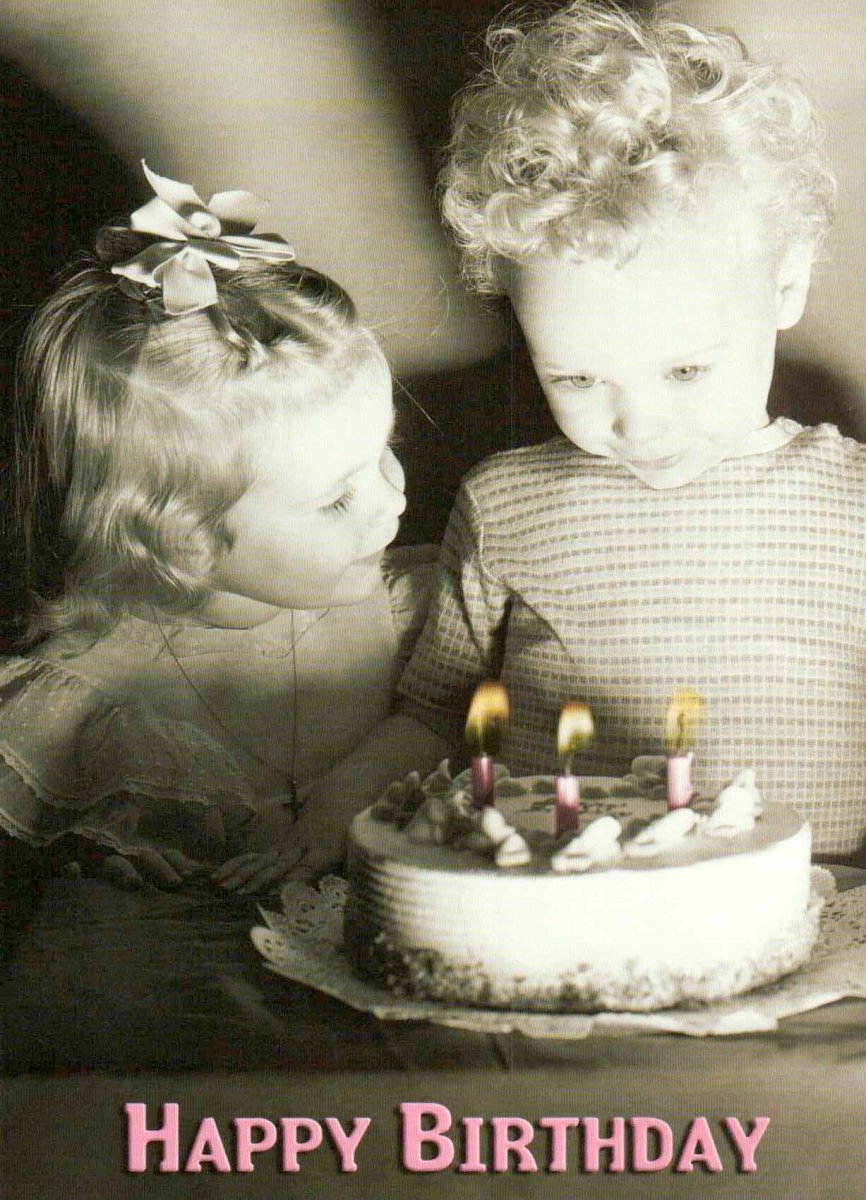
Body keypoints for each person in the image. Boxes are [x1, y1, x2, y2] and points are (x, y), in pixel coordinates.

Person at [284, 0, 866, 878]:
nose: (637, 425)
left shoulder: (854, 504)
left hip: (814, 918)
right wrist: (334, 805)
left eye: (685, 371)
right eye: (580, 380)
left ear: (785, 287)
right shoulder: (506, 505)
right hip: (548, 907)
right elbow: (434, 715)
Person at [0, 161, 429, 898]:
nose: (394, 499)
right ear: (185, 540)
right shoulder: (84, 704)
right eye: (336, 499)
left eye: (384, 451)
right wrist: (97, 860)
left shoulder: (417, 616)